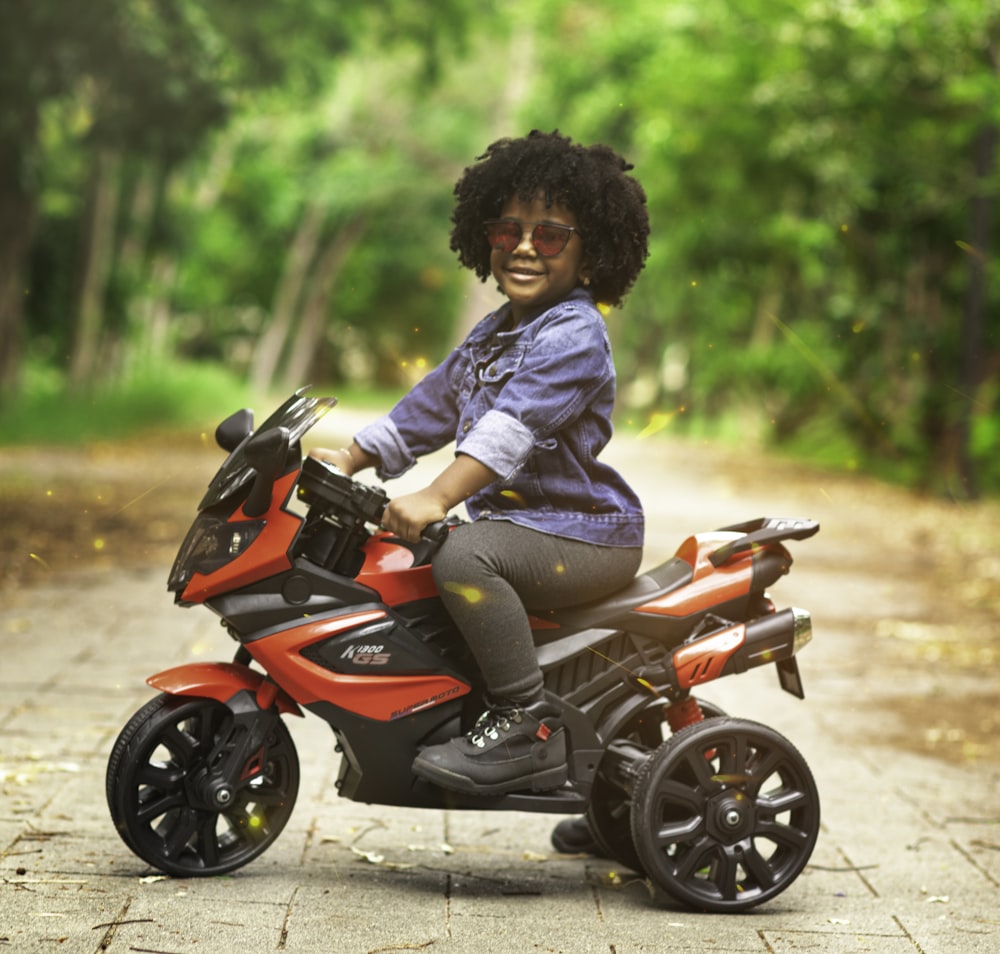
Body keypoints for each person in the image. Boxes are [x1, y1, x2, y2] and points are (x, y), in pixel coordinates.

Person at [312, 130, 650, 796]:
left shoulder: (574, 333)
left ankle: (523, 721)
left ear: (591, 254)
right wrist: (349, 457)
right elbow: (432, 402)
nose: (524, 246)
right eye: (508, 231)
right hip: (529, 532)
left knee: (462, 559)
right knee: (407, 562)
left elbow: (510, 426)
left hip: (583, 533)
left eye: (550, 236)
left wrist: (437, 495)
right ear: (484, 238)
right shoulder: (495, 330)